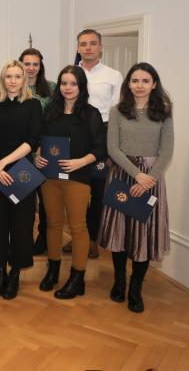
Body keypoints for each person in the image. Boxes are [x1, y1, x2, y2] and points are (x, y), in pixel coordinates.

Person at [98, 63, 173, 313]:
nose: (139, 85)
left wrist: (149, 178)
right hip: (123, 175)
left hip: (151, 181)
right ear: (128, 84)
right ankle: (119, 281)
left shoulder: (164, 112)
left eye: (145, 81)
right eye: (135, 81)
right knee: (119, 234)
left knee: (144, 236)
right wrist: (137, 175)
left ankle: (135, 288)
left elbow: (167, 150)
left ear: (154, 84)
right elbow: (113, 148)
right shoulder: (117, 111)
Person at [35, 65, 105, 300]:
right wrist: (38, 155)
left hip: (78, 178)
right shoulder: (50, 111)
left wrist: (80, 162)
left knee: (77, 227)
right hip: (50, 178)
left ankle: (77, 278)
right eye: (64, 83)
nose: (68, 88)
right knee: (53, 224)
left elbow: (100, 149)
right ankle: (53, 270)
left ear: (81, 86)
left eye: (73, 83)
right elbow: (40, 140)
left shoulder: (91, 114)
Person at [0, 61, 41, 300]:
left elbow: (32, 141)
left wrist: (3, 163)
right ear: (3, 79)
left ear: (24, 79)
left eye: (17, 76)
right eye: (9, 76)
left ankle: (15, 274)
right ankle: (1, 274)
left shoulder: (32, 105)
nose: (13, 81)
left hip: (22, 172)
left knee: (20, 226)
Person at [76, 29, 123, 259]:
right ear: (78, 48)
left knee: (97, 192)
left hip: (102, 136)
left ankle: (93, 240)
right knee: (76, 191)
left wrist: (113, 148)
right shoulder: (72, 73)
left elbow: (117, 114)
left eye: (93, 43)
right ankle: (79, 237)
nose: (88, 48)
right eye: (83, 44)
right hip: (76, 135)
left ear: (101, 47)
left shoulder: (113, 75)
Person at [19, 47, 56, 255]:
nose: (31, 68)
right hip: (21, 153)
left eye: (35, 64)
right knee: (24, 201)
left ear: (41, 66)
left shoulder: (51, 88)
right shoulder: (14, 86)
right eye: (27, 64)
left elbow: (56, 121)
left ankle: (43, 238)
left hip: (44, 154)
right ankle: (23, 239)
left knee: (46, 202)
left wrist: (44, 149)